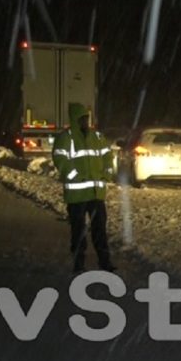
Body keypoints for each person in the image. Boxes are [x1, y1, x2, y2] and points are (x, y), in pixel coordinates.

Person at [52, 103, 117, 275]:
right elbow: (60, 159)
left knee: (100, 230)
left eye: (87, 118)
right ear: (75, 120)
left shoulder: (96, 136)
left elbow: (107, 155)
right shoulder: (66, 138)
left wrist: (108, 172)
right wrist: (74, 175)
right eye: (82, 119)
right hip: (76, 195)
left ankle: (105, 262)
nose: (85, 122)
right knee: (78, 231)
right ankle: (79, 264)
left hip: (96, 194)